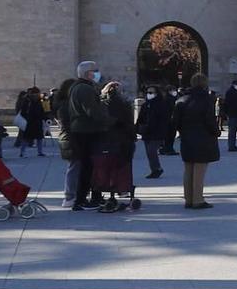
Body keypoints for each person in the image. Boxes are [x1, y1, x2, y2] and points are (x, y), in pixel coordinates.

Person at [56, 61, 109, 211]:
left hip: (83, 131)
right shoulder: (85, 89)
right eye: (95, 71)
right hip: (87, 132)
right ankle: (80, 200)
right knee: (87, 167)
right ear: (88, 73)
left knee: (87, 166)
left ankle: (87, 197)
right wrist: (111, 121)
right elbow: (93, 111)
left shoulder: (79, 87)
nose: (98, 73)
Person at [170, 72, 219, 209]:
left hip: (186, 138)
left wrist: (182, 131)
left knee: (188, 170)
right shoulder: (207, 99)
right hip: (203, 139)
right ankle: (198, 199)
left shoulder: (181, 100)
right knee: (199, 171)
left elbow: (175, 121)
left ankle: (188, 198)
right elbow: (210, 120)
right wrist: (216, 132)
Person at [90, 80, 138, 212]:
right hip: (122, 140)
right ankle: (122, 189)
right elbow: (128, 123)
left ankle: (104, 190)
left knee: (104, 167)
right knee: (121, 167)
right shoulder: (124, 103)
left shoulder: (101, 104)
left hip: (104, 141)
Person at [134, 84, 168, 178]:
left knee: (151, 151)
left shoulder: (161, 104)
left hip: (156, 132)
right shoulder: (146, 104)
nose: (149, 94)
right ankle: (155, 169)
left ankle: (157, 169)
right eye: (148, 92)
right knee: (149, 153)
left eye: (152, 92)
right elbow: (140, 117)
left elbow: (163, 119)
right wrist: (137, 128)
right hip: (146, 132)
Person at [15, 84, 50, 160]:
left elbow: (43, 110)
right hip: (30, 121)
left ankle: (39, 152)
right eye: (36, 93)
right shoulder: (27, 100)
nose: (37, 95)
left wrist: (45, 117)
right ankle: (22, 152)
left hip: (36, 121)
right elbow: (23, 111)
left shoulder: (38, 100)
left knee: (38, 137)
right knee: (27, 137)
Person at [219, 79, 237, 153]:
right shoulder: (231, 92)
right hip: (233, 113)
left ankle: (232, 145)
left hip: (234, 113)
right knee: (232, 131)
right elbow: (229, 104)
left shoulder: (233, 92)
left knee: (233, 131)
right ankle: (231, 146)